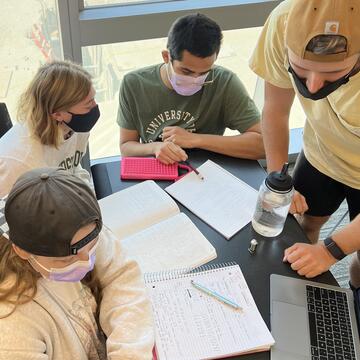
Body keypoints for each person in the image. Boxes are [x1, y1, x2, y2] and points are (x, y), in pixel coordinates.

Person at [249, 0, 360, 286]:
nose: (311, 87)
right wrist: (278, 180)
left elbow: (333, 249)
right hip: (322, 152)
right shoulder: (284, 20)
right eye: (300, 70)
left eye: (332, 74)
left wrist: (330, 250)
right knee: (306, 222)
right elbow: (275, 109)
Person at [0, 167, 154, 359]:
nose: (86, 262)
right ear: (22, 250)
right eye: (66, 260)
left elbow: (121, 277)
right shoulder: (11, 332)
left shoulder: (81, 230)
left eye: (92, 248)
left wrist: (129, 352)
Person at [118, 13, 264, 165]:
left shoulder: (224, 82)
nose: (195, 80)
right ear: (167, 57)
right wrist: (155, 147)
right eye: (186, 72)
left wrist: (196, 140)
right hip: (156, 170)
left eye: (204, 73)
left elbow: (264, 145)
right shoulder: (135, 83)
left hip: (207, 172)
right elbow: (126, 147)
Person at [0, 60, 100, 197]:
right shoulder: (19, 161)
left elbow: (72, 168)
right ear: (58, 114)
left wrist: (89, 198)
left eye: (93, 98)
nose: (95, 107)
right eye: (88, 104)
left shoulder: (74, 127)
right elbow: (12, 213)